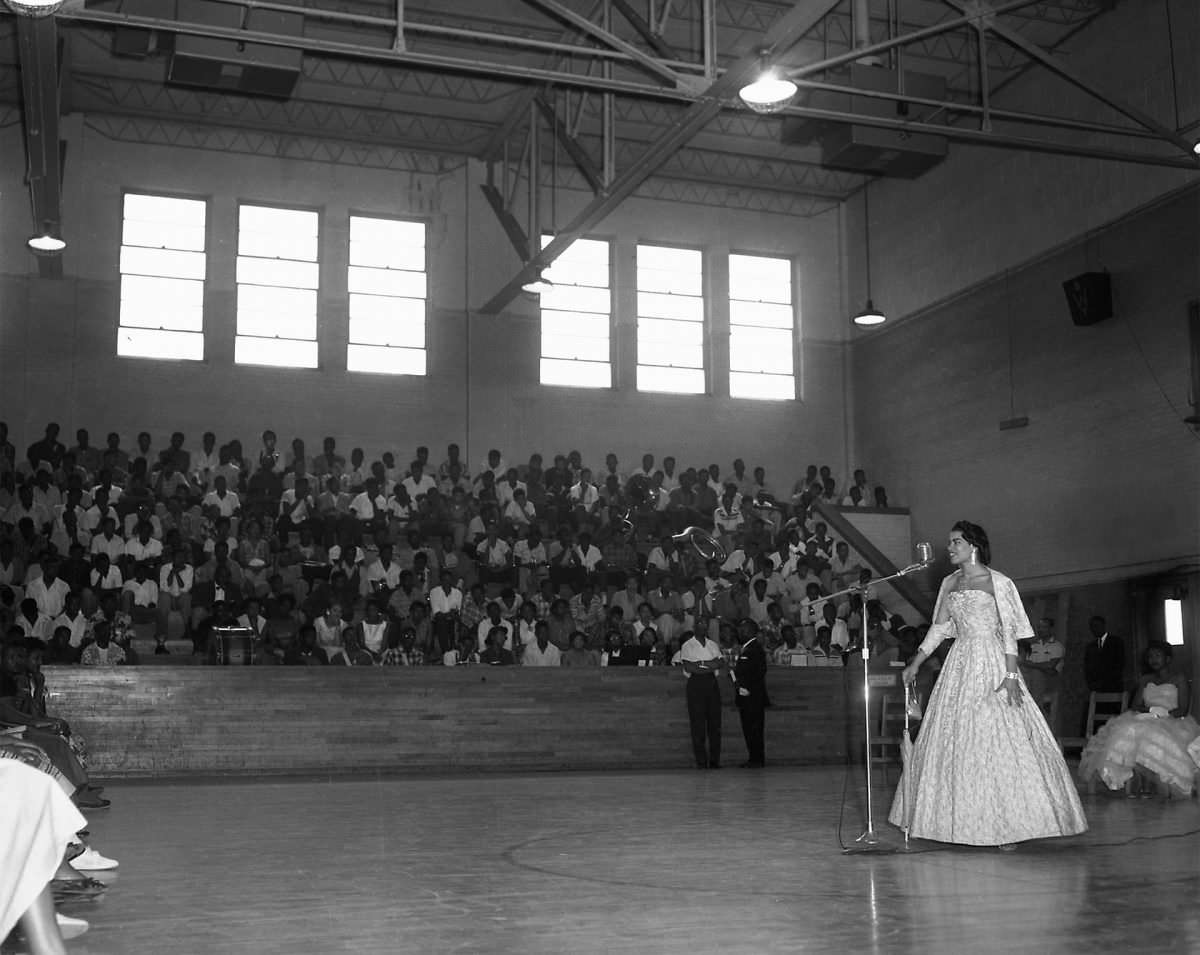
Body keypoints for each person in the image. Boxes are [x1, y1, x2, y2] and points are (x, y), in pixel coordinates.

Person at [889, 521, 1086, 848]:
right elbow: (939, 629)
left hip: (993, 662)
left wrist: (1010, 676)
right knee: (956, 739)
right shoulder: (949, 582)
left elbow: (1009, 631)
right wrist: (916, 662)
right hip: (959, 663)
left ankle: (1010, 827)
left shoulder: (999, 582)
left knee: (998, 739)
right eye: (950, 542)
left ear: (973, 546)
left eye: (955, 542)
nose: (949, 548)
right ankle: (954, 822)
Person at [1078, 642, 1200, 797]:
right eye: (1150, 656)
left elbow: (1183, 708)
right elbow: (1135, 705)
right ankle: (1138, 782)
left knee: (1151, 734)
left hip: (1173, 720)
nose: (1153, 660)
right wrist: (1150, 711)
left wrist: (1163, 714)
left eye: (1157, 656)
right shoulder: (1145, 679)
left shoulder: (1179, 678)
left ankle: (1155, 784)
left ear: (1168, 659)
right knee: (1129, 730)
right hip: (1146, 718)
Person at [679, 626, 726, 769]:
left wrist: (701, 664)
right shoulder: (688, 645)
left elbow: (720, 663)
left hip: (712, 683)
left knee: (715, 724)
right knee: (698, 724)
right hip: (695, 683)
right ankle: (701, 761)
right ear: (694, 627)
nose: (703, 627)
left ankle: (714, 761)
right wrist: (709, 665)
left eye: (705, 625)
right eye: (700, 624)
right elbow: (689, 667)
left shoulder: (713, 644)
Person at [733, 619, 768, 768]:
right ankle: (754, 758)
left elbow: (758, 672)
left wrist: (747, 687)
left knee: (754, 729)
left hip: (752, 697)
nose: (739, 633)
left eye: (742, 630)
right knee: (750, 729)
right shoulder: (748, 648)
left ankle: (757, 759)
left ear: (749, 631)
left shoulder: (754, 649)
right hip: (748, 697)